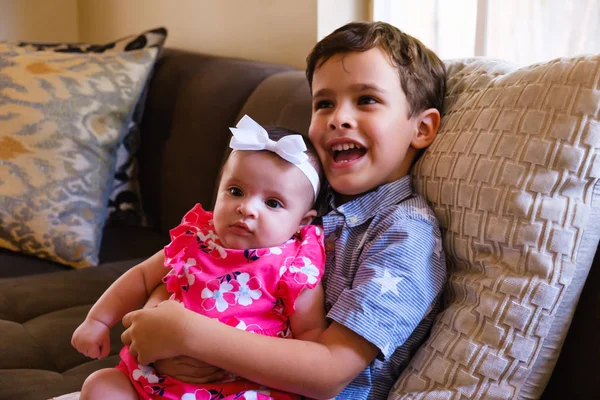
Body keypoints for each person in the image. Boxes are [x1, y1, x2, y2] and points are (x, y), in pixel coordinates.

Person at [119, 21, 448, 399]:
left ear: (421, 129)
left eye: (366, 100)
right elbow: (201, 261)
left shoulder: (406, 235)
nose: (337, 117)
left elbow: (328, 372)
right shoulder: (304, 193)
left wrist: (190, 335)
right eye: (324, 103)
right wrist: (161, 319)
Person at [72, 115, 327, 400]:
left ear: (302, 221)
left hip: (240, 389)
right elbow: (142, 277)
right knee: (101, 386)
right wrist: (98, 321)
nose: (246, 208)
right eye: (235, 191)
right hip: (153, 380)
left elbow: (310, 336)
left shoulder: (294, 266)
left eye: (272, 203)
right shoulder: (195, 239)